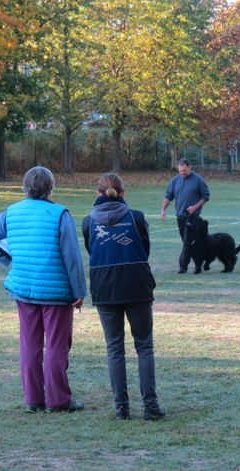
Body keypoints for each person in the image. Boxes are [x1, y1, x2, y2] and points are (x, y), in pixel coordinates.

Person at [0, 166, 87, 414]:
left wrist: (12, 260)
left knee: (29, 344)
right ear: (51, 187)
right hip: (56, 291)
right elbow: (72, 257)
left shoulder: (12, 212)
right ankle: (58, 400)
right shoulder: (60, 214)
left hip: (24, 288)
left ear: (25, 187)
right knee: (57, 345)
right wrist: (79, 290)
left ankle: (34, 399)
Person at [82, 173, 165, 421]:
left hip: (104, 288)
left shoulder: (88, 221)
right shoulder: (136, 217)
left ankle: (121, 408)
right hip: (137, 285)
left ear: (98, 193)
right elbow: (144, 250)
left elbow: (91, 250)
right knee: (144, 346)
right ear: (123, 193)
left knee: (114, 348)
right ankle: (150, 406)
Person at [160, 158, 210, 273]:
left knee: (188, 242)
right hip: (180, 217)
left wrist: (195, 207)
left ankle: (183, 266)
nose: (182, 173)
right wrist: (163, 210)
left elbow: (206, 196)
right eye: (180, 171)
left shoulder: (198, 180)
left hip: (193, 217)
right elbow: (168, 196)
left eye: (184, 170)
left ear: (189, 167)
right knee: (188, 242)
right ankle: (199, 261)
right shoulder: (175, 180)